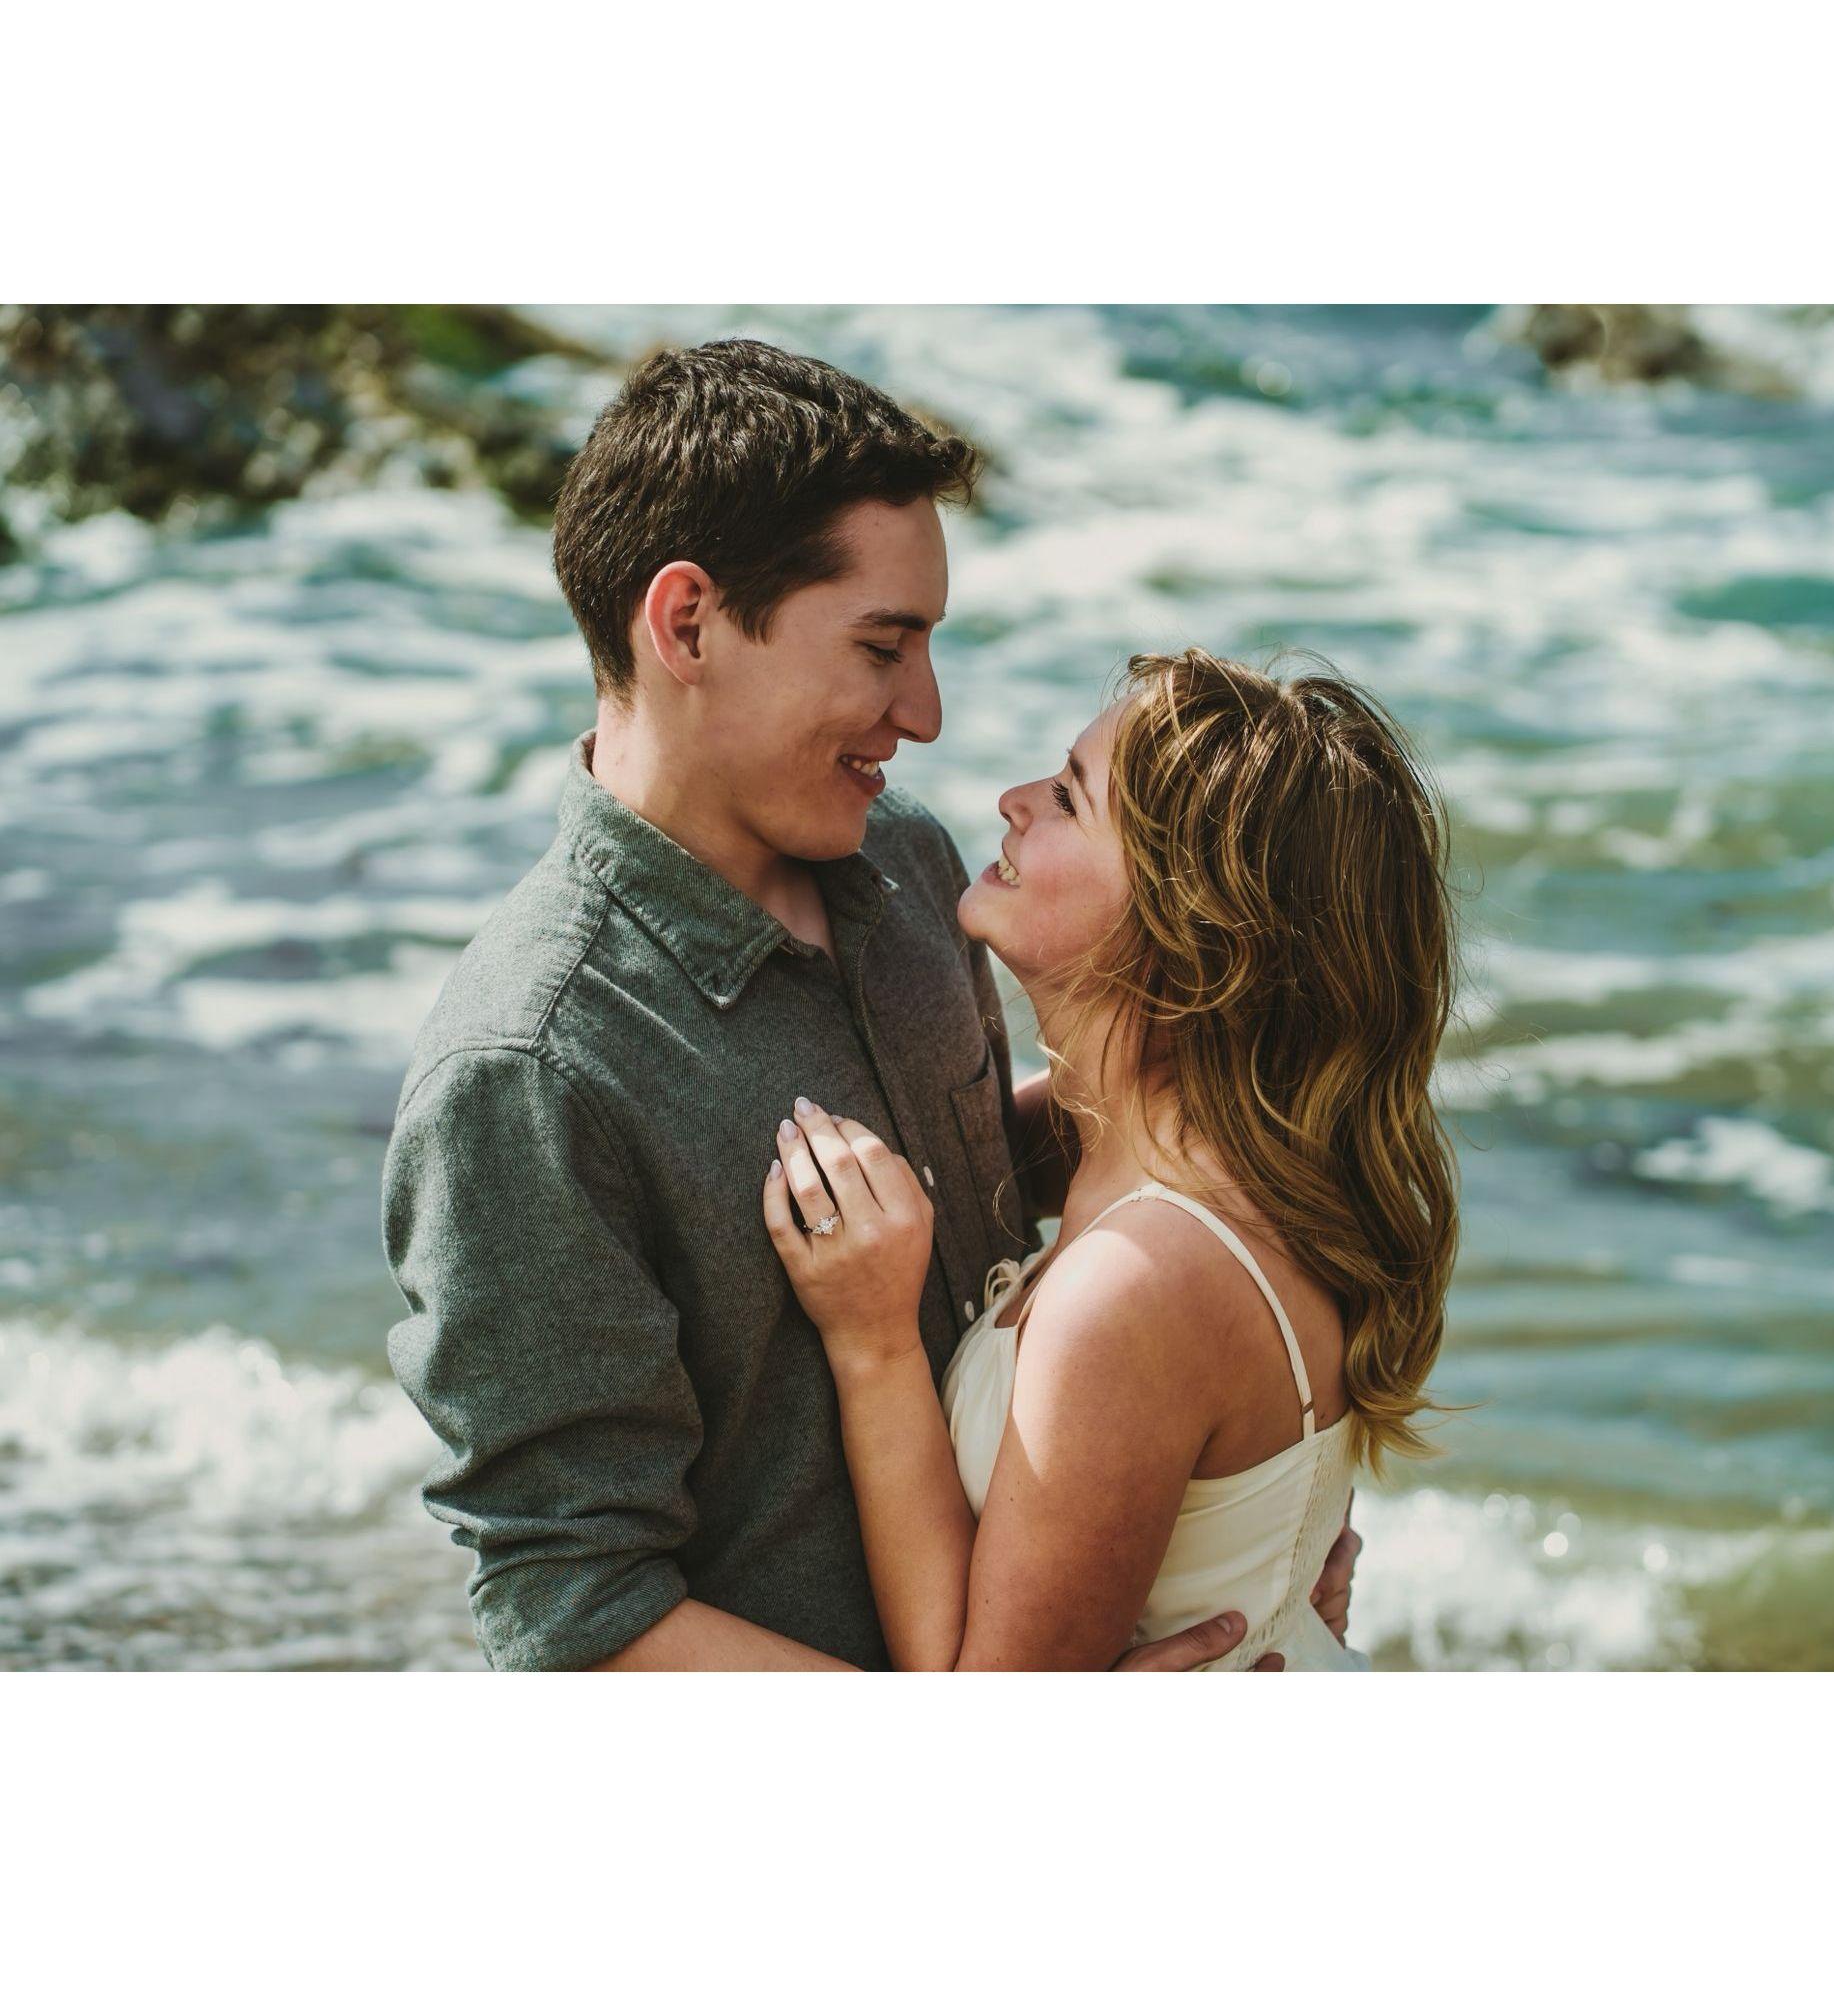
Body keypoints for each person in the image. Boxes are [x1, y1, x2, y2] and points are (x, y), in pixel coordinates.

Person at [381, 338, 1362, 1670]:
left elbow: (987, 1188)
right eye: (883, 646)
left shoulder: (907, 866)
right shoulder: (529, 1071)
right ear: (686, 625)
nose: (928, 712)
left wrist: (1253, 1527)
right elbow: (575, 1617)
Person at [761, 647, 1460, 1669]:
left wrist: (874, 1344)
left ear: (1186, 934)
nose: (1012, 801)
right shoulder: (1226, 1154)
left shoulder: (1136, 1284)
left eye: (1067, 798)